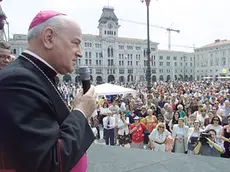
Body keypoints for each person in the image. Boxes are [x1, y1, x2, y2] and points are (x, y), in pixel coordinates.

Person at [0, 11, 96, 172]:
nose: (79, 52)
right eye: (75, 42)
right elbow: (47, 162)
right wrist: (81, 111)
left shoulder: (37, 75)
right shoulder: (18, 81)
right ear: (49, 38)